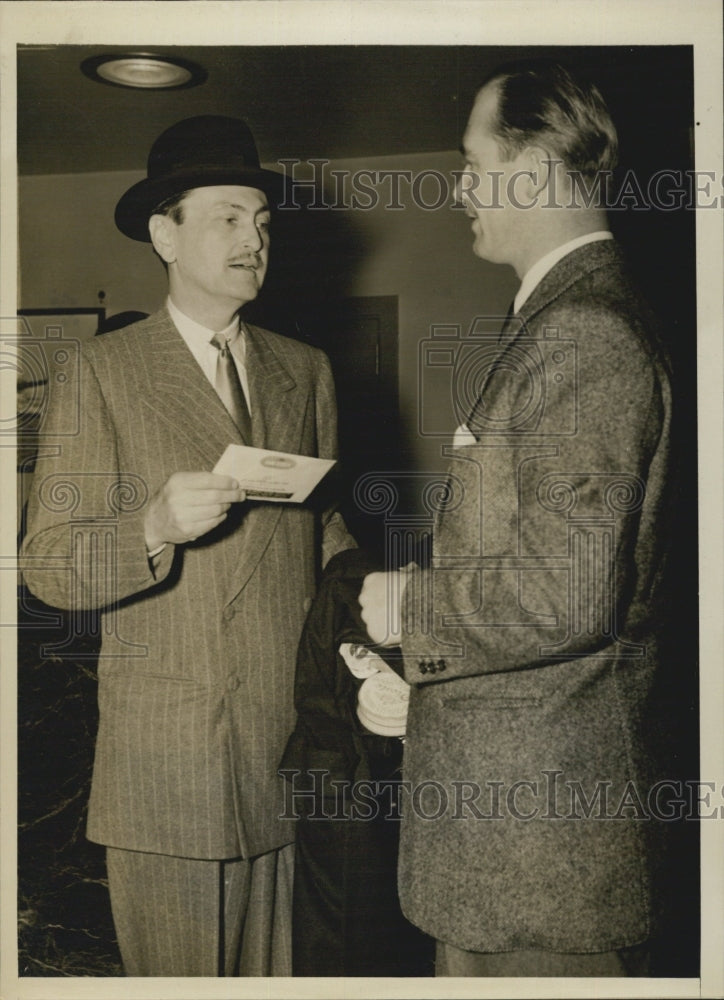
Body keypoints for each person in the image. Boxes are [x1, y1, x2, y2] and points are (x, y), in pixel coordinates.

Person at [360, 60, 677, 977]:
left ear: (532, 172)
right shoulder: (560, 319)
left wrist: (410, 607)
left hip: (539, 860)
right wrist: (424, 693)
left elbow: (566, 592)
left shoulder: (583, 334)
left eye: (471, 161)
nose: (458, 187)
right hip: (511, 850)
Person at [21, 115, 355, 977]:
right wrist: (151, 529)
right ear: (165, 235)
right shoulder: (101, 372)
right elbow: (49, 563)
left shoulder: (304, 369)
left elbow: (322, 535)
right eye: (229, 218)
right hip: (167, 771)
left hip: (286, 751)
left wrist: (373, 610)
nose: (255, 238)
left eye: (263, 221)